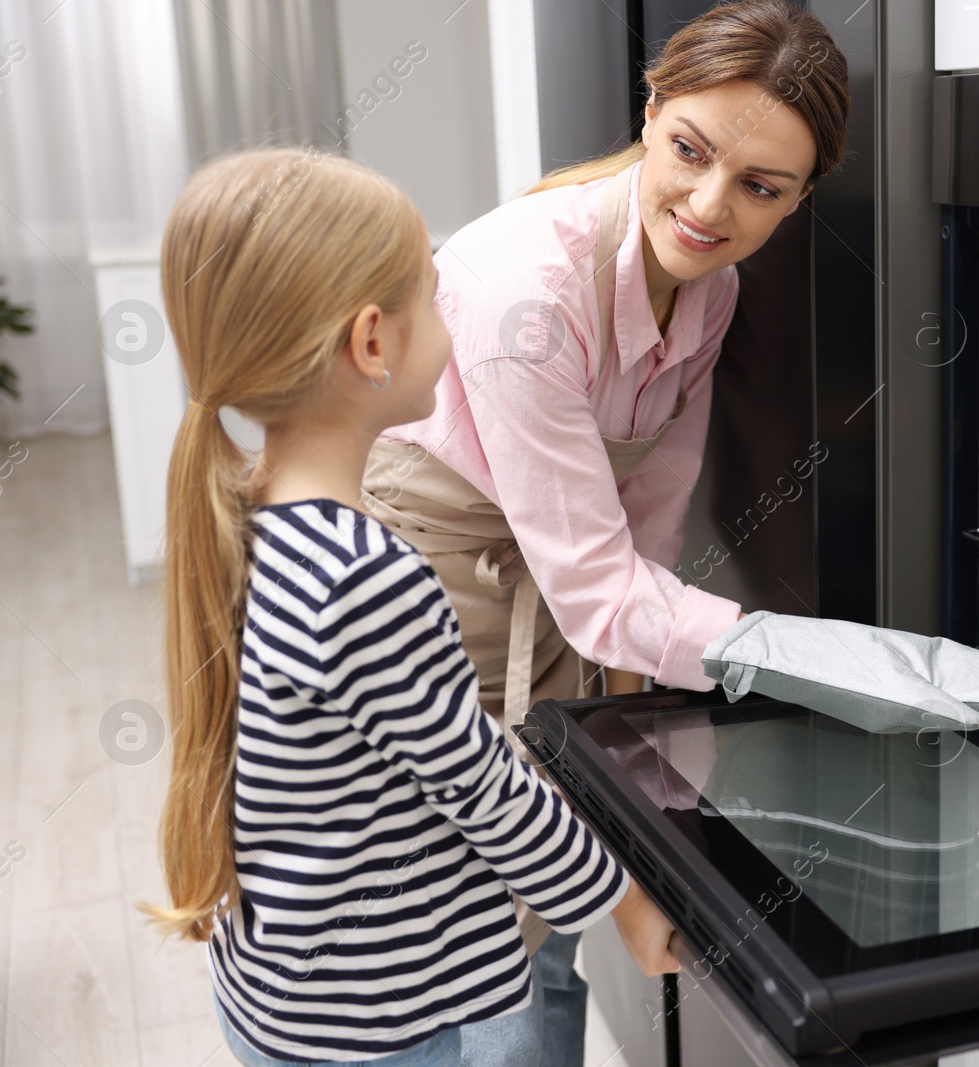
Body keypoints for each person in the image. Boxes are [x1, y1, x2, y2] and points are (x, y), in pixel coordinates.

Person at [360, 5, 849, 1058]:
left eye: (761, 187)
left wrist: (632, 733)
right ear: (652, 108)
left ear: (801, 196)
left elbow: (651, 515)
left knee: (544, 891)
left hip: (556, 579)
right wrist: (798, 650)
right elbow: (594, 587)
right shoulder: (524, 291)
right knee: (458, 900)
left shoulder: (707, 285)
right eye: (689, 151)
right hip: (439, 586)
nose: (711, 206)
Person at [143, 148, 680, 1067]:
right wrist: (629, 903)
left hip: (285, 992)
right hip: (405, 1018)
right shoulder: (365, 576)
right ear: (371, 343)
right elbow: (486, 791)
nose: (449, 321)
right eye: (433, 298)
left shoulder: (246, 516)